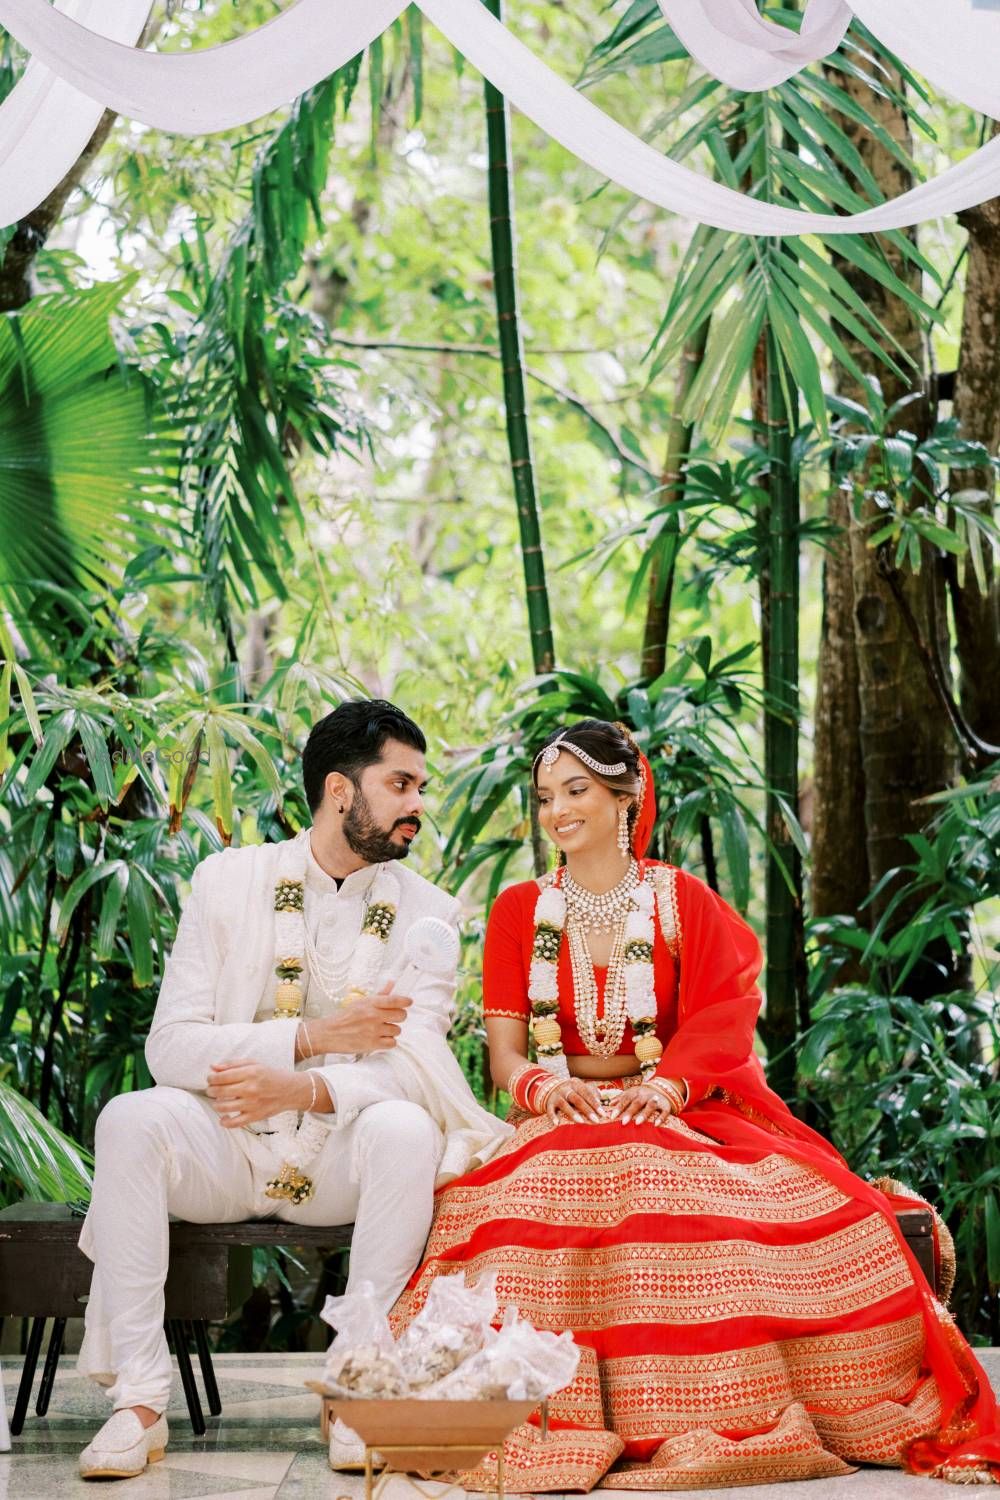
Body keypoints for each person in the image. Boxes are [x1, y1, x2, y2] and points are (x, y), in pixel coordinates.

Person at [391, 717, 1000, 1490]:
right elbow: (507, 1053)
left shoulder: (678, 899)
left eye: (576, 791)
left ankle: (700, 1412)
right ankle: (545, 1416)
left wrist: (665, 1085)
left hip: (672, 1106)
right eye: (546, 797)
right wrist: (544, 1088)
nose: (557, 811)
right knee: (562, 1180)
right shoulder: (519, 910)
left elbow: (724, 1011)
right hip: (558, 1115)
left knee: (664, 1179)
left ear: (626, 797)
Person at [76, 699, 508, 1481]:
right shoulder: (227, 880)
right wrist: (314, 1038)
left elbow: (416, 1068)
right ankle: (137, 1403)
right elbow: (169, 1047)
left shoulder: (430, 915)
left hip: (337, 1159)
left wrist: (300, 1087)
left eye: (421, 787)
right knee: (131, 1119)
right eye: (402, 784)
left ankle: (352, 1391)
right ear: (341, 792)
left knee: (408, 1130)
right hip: (228, 1141)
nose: (419, 805)